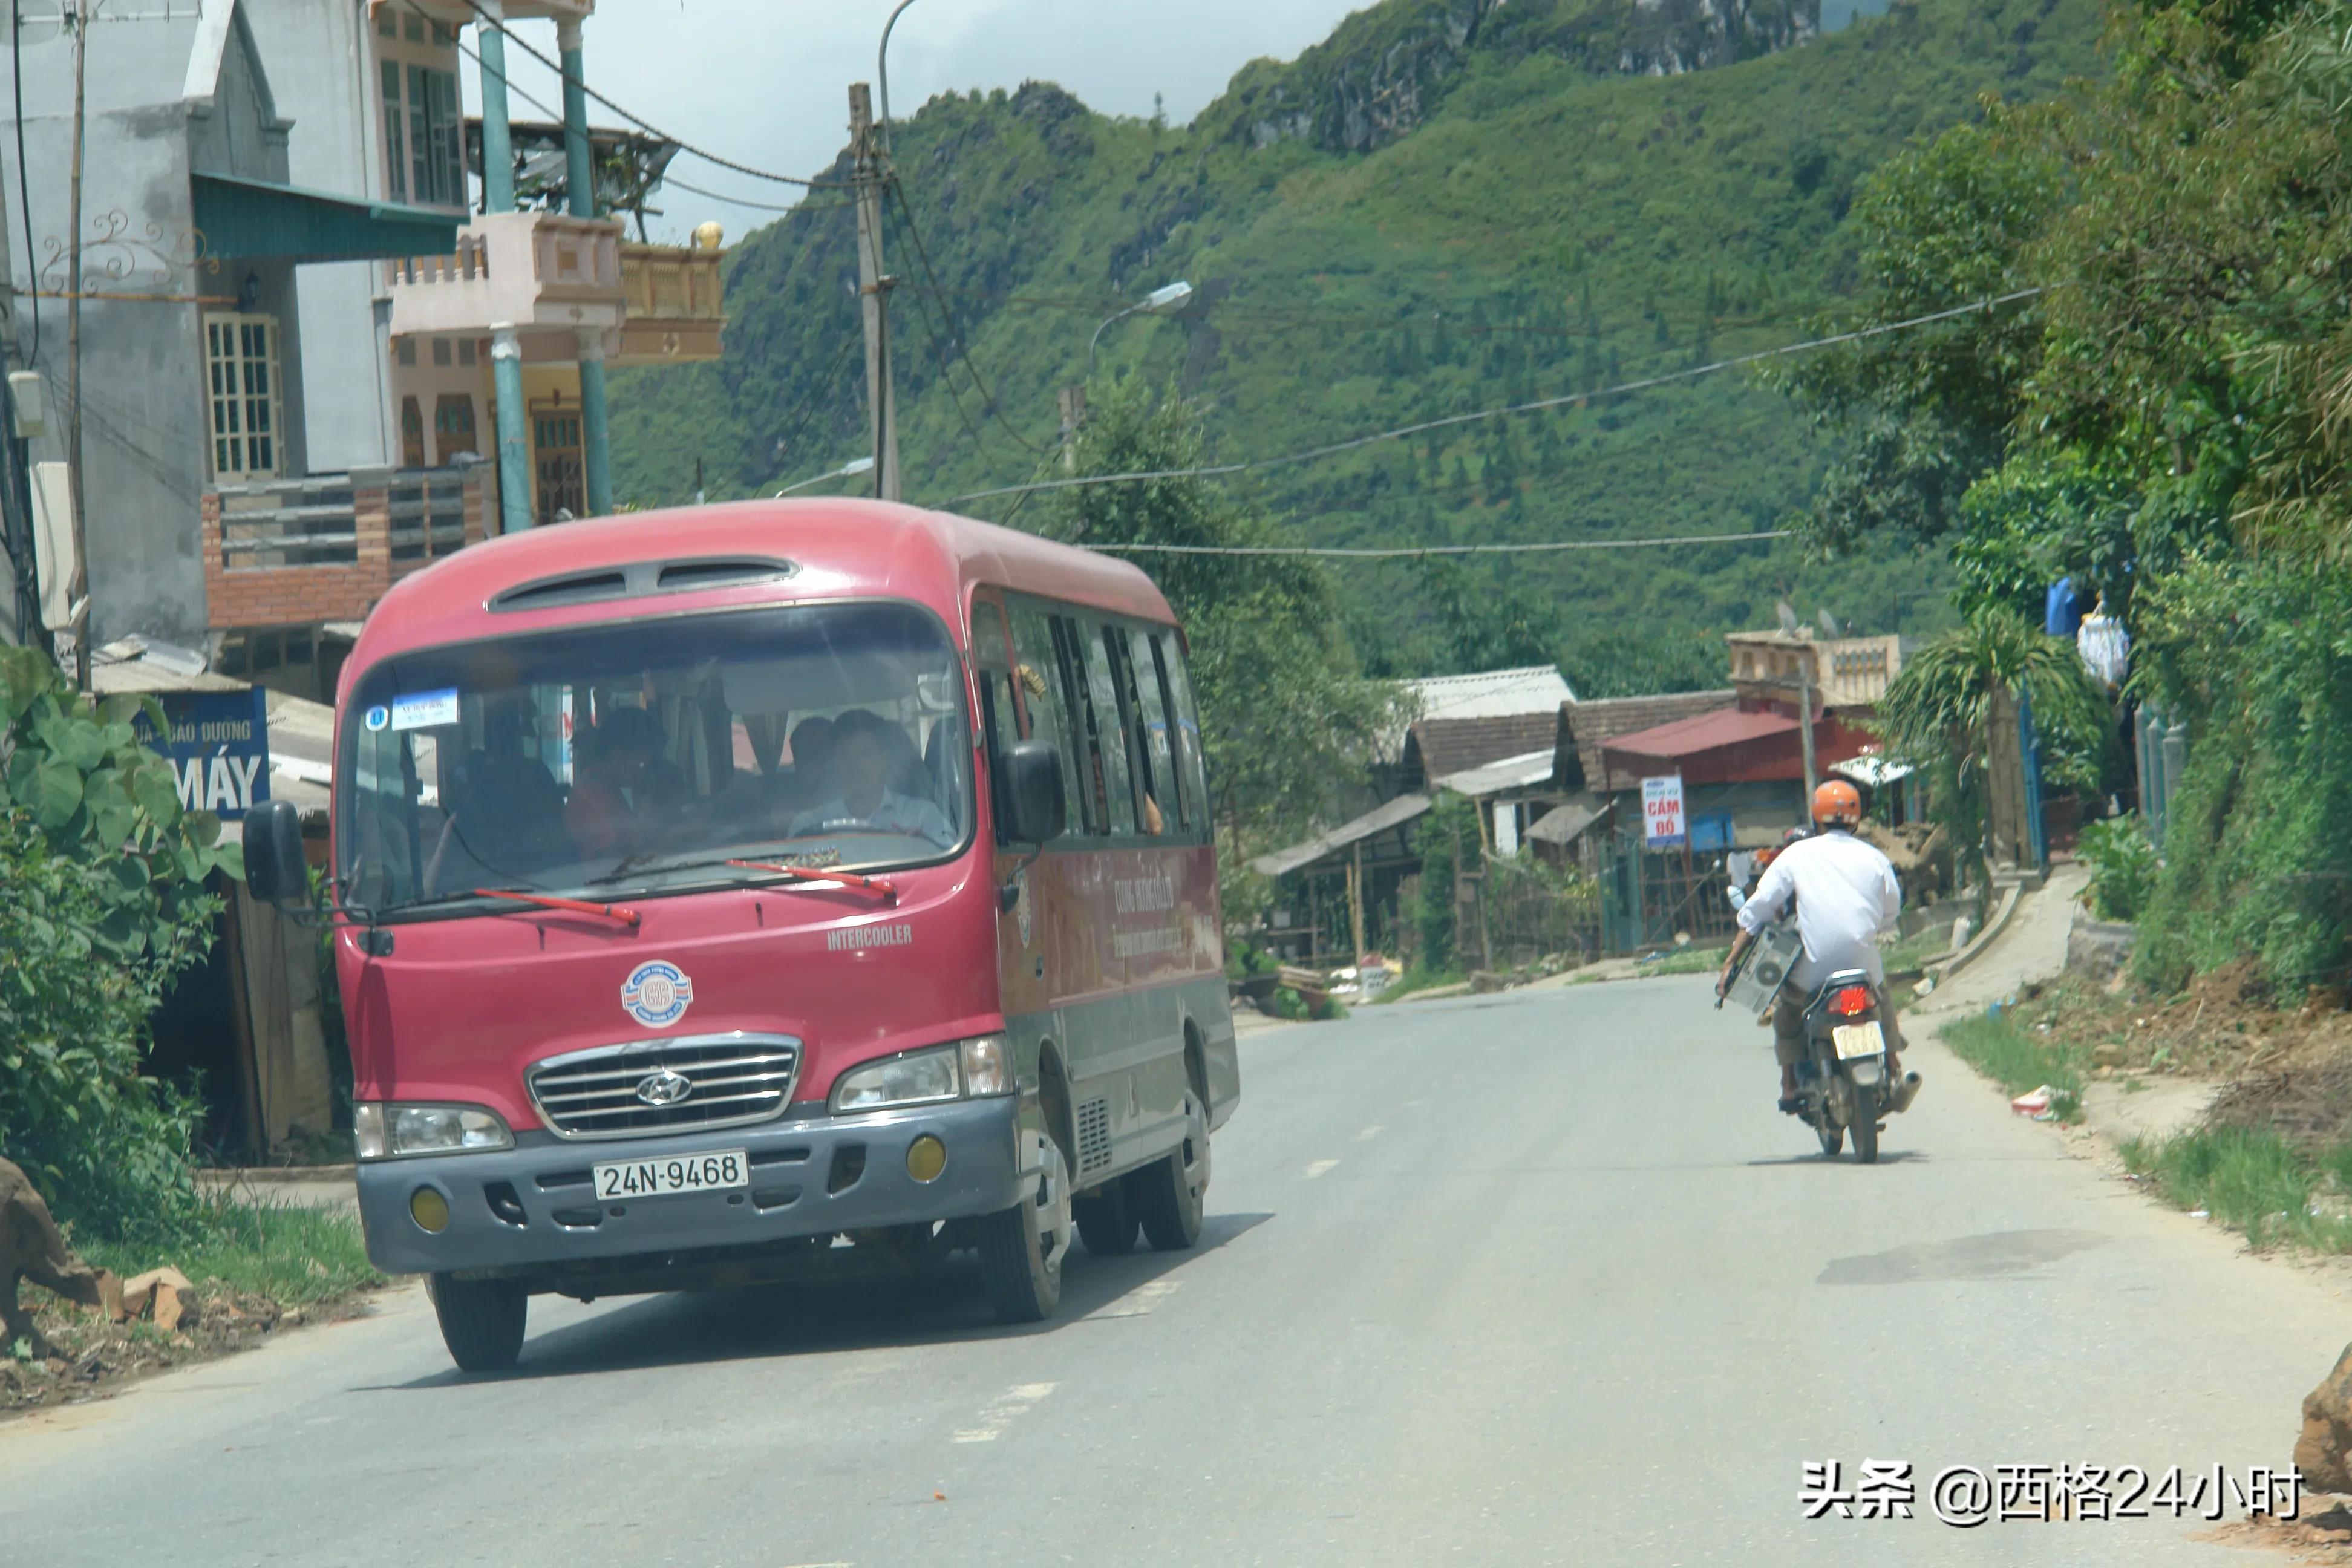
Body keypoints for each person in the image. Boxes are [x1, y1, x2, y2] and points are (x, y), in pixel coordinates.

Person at [1717, 780, 1918, 1114]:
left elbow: (1757, 911)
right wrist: (1874, 927)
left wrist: (1729, 964)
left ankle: (1789, 1084)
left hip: (1814, 969)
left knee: (1788, 1009)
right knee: (1881, 998)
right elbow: (1890, 912)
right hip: (1862, 965)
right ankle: (1894, 1064)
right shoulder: (1875, 858)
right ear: (1856, 819)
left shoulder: (1795, 855)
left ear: (1817, 817)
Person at [787, 709, 958, 849]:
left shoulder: (922, 817)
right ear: (834, 762)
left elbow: (955, 869)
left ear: (884, 758)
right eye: (845, 756)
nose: (856, 766)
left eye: (865, 754)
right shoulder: (809, 827)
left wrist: (925, 847)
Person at [565, 705, 664, 861]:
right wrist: (671, 842)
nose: (643, 773)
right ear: (618, 755)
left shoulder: (607, 789)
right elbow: (616, 862)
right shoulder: (591, 799)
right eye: (640, 764)